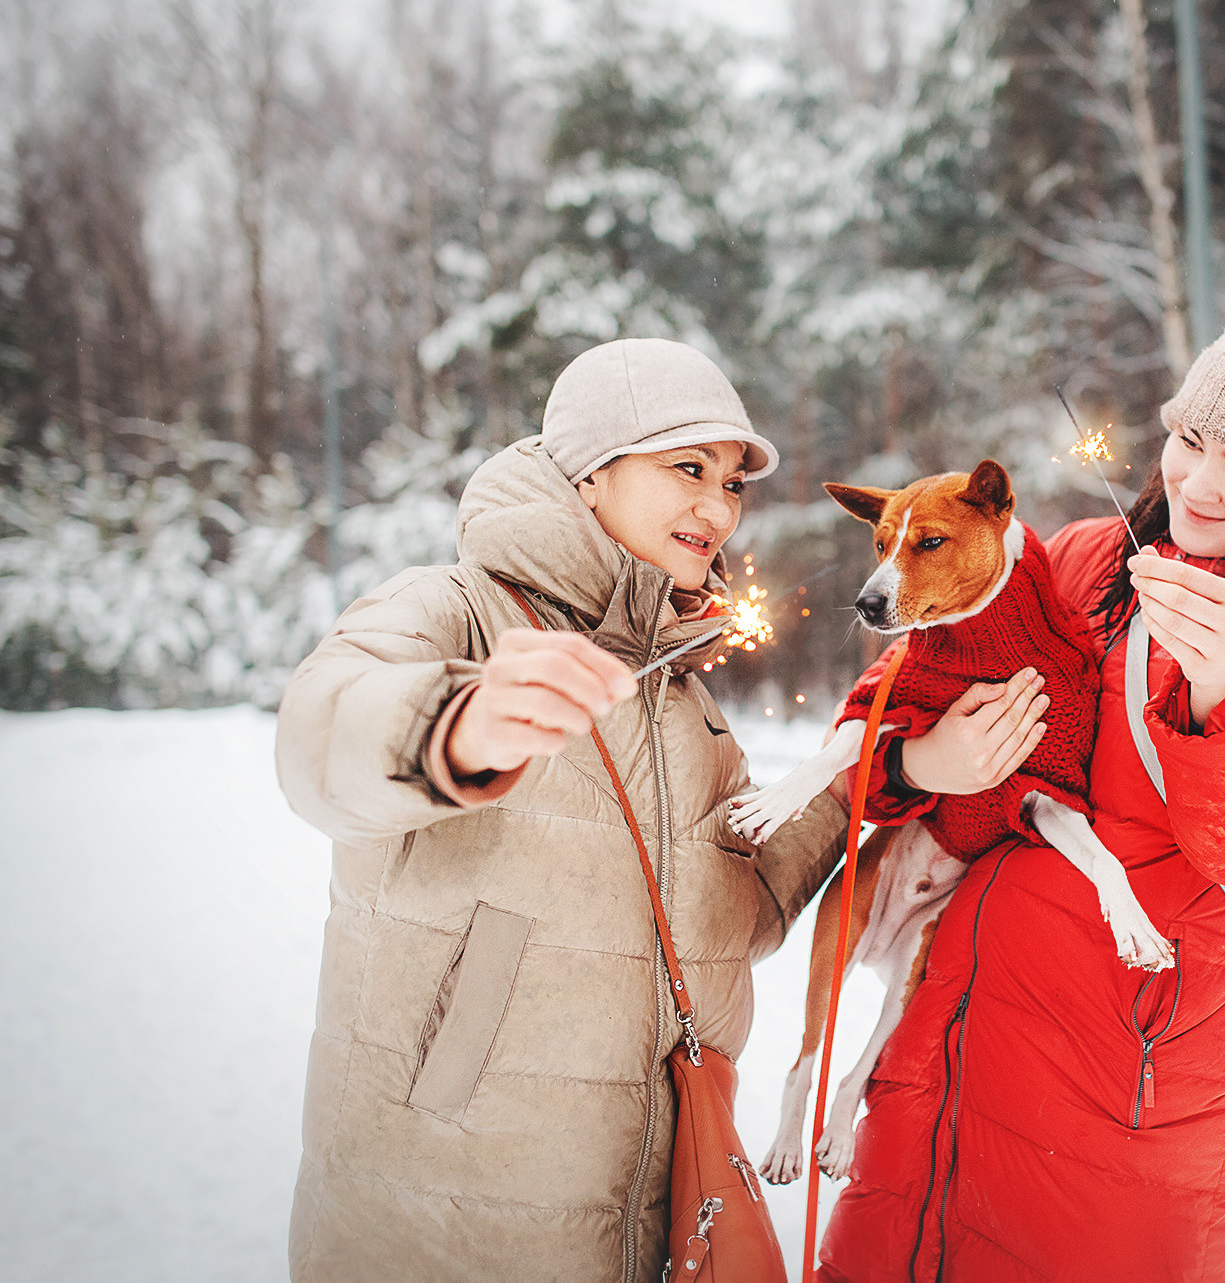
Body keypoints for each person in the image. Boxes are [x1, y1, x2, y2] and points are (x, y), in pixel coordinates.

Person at [817, 279, 1225, 1280]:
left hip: (1135, 1117)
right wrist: (913, 760)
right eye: (1188, 440)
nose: (1195, 486)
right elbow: (892, 693)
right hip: (944, 1067)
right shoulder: (1078, 560)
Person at [274, 339, 850, 1283]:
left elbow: (736, 907)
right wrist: (456, 726)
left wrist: (882, 763)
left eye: (733, 482)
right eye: (687, 468)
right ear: (590, 474)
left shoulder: (680, 697)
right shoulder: (455, 610)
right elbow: (315, 738)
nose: (718, 506)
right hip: (439, 1232)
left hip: (638, 1231)